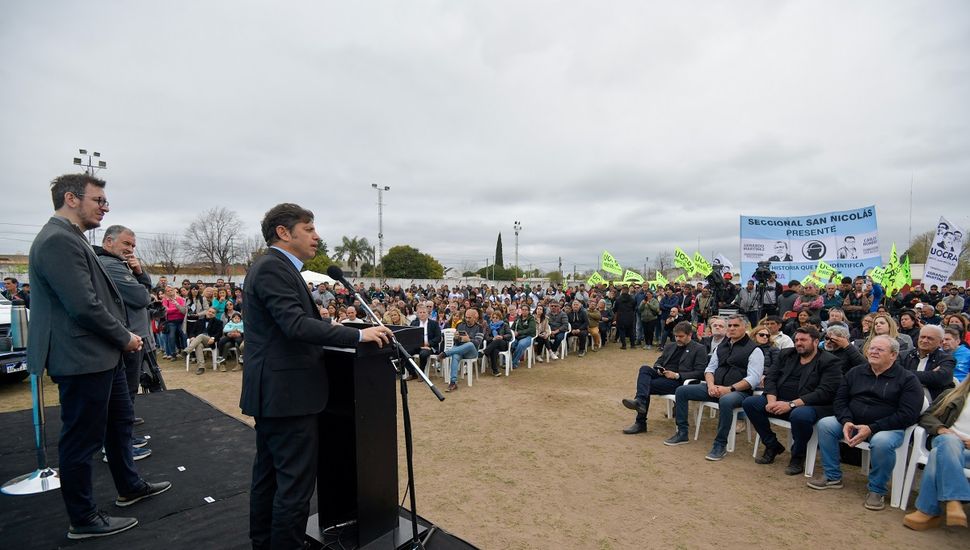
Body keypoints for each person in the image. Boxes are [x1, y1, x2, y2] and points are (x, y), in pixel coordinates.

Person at [240, 203, 391, 549]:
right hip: (288, 395)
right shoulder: (273, 269)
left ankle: (265, 542)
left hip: (278, 393)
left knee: (270, 477)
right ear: (284, 232)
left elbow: (286, 323)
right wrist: (357, 335)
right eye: (309, 229)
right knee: (292, 484)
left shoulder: (276, 267)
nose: (317, 236)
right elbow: (294, 325)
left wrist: (328, 326)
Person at [27, 174, 169, 539]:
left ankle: (129, 487)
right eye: (99, 200)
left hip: (101, 356)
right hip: (81, 356)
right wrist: (125, 337)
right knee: (82, 440)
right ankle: (84, 518)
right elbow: (84, 306)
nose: (105, 207)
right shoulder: (58, 240)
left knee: (119, 423)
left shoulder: (73, 239)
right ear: (72, 199)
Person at [808, 335, 923, 511]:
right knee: (826, 425)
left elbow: (908, 415)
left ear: (893, 355)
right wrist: (846, 421)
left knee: (881, 442)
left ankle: (877, 490)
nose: (874, 352)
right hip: (853, 422)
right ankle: (832, 476)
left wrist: (872, 428)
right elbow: (840, 400)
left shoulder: (907, 379)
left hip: (887, 427)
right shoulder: (855, 372)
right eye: (872, 348)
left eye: (880, 349)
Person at [743, 326, 842, 475]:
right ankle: (772, 445)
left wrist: (791, 404)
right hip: (779, 400)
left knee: (800, 415)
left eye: (803, 340)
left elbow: (825, 392)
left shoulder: (829, 361)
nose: (798, 343)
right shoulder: (786, 354)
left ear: (815, 342)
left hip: (811, 405)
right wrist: (771, 401)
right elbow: (771, 378)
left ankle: (798, 456)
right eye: (796, 340)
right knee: (750, 403)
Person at [664, 315, 764, 461]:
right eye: (729, 326)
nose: (731, 329)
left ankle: (720, 444)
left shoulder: (754, 350)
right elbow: (709, 369)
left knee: (726, 401)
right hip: (714, 387)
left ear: (746, 328)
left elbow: (753, 379)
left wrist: (728, 389)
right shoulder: (721, 347)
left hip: (739, 392)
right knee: (682, 391)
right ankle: (682, 432)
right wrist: (710, 385)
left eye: (735, 326)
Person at [96, 225, 155, 455]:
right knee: (123, 394)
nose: (130, 250)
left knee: (128, 392)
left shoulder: (120, 264)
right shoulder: (110, 265)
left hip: (132, 336)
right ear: (108, 242)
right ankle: (120, 445)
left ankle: (124, 437)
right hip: (127, 337)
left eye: (133, 245)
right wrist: (140, 278)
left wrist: (139, 272)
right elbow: (142, 297)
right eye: (126, 244)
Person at [902, 375, 970, 530]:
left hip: (963, 454)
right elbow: (926, 416)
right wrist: (941, 429)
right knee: (948, 442)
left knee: (936, 454)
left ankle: (928, 511)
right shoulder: (952, 394)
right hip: (948, 441)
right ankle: (954, 499)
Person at [621, 321, 707, 434]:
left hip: (680, 382)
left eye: (681, 336)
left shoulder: (699, 348)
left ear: (689, 335)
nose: (677, 339)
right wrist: (658, 368)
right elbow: (659, 362)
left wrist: (677, 375)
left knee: (647, 386)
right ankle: (640, 401)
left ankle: (640, 422)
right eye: (676, 336)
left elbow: (700, 373)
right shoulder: (670, 345)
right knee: (644, 369)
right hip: (664, 375)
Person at [898, 324, 955, 400]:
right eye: (922, 337)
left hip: (934, 402)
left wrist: (905, 373)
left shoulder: (946, 359)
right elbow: (895, 374)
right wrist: (930, 374)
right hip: (905, 396)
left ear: (940, 343)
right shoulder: (906, 355)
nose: (924, 341)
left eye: (930, 338)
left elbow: (942, 378)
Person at [438, 308, 485, 391]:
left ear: (475, 318)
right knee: (455, 355)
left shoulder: (479, 327)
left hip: (472, 352)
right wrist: (456, 338)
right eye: (466, 317)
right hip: (459, 349)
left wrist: (469, 339)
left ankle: (445, 353)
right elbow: (455, 341)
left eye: (469, 318)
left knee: (470, 344)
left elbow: (478, 343)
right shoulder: (460, 325)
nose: (467, 319)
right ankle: (453, 383)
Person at [186, 307, 224, 374]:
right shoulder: (199, 321)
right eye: (209, 311)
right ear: (206, 312)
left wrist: (213, 338)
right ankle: (201, 367)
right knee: (198, 345)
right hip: (199, 341)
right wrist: (192, 337)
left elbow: (219, 333)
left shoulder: (219, 322)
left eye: (213, 313)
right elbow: (192, 332)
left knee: (201, 336)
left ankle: (187, 350)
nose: (210, 313)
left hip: (209, 341)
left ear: (215, 314)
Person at [409, 303, 442, 372]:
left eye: (424, 312)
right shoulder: (414, 324)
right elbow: (411, 337)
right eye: (420, 312)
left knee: (423, 354)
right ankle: (412, 373)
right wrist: (419, 345)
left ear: (428, 314)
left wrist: (428, 344)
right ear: (417, 314)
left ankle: (421, 372)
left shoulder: (434, 324)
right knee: (404, 352)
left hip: (429, 347)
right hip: (417, 346)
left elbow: (438, 338)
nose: (422, 314)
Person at [483, 310, 513, 376]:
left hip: (503, 344)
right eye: (493, 317)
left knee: (498, 340)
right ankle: (495, 371)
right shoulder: (489, 326)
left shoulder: (504, 325)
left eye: (496, 318)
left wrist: (502, 336)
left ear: (500, 318)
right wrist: (493, 338)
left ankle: (485, 351)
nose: (495, 319)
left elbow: (509, 335)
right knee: (494, 350)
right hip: (493, 345)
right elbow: (486, 337)